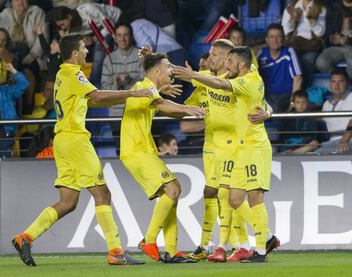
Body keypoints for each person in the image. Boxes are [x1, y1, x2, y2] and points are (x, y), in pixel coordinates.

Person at [11, 34, 153, 267]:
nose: (87, 51)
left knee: (68, 201)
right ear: (75, 53)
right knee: (102, 194)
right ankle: (116, 252)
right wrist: (132, 93)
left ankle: (25, 237)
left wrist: (124, 97)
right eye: (83, 48)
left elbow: (93, 101)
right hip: (76, 140)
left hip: (62, 140)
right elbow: (97, 96)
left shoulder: (61, 74)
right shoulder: (74, 73)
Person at [173, 46, 279, 263]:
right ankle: (267, 237)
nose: (225, 67)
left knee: (255, 197)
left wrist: (193, 74)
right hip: (240, 148)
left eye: (229, 62)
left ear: (240, 65)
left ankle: (260, 250)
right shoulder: (247, 76)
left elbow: (222, 83)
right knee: (235, 199)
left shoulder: (246, 81)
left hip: (254, 147)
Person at [120, 53, 205, 263]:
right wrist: (188, 108)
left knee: (171, 193)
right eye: (168, 67)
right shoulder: (145, 88)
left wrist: (184, 110)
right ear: (157, 71)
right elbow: (163, 106)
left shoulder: (148, 88)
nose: (172, 70)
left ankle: (171, 251)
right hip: (136, 151)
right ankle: (148, 240)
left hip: (142, 150)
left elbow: (168, 109)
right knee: (173, 189)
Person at [257, 23, 303, 112]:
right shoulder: (260, 54)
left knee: (276, 108)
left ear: (283, 39)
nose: (275, 40)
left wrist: (292, 102)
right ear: (266, 40)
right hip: (266, 96)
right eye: (272, 37)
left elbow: (298, 78)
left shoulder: (289, 52)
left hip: (285, 95)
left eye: (279, 36)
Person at [101, 23, 144, 117]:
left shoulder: (141, 56)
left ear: (131, 37)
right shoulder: (109, 59)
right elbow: (104, 91)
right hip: (116, 114)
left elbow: (148, 86)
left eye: (126, 35)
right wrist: (117, 86)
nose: (122, 39)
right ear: (115, 38)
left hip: (138, 111)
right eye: (119, 35)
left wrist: (129, 82)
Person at [281, 0, 326, 85]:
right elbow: (284, 32)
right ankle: (290, 88)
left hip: (311, 45)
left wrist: (311, 20)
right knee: (287, 59)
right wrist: (293, 20)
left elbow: (321, 33)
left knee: (306, 61)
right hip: (294, 43)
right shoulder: (291, 6)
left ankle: (307, 89)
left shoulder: (320, 8)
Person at [0, 63, 29, 158]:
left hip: (5, 135)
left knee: (4, 166)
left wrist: (13, 70)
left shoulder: (5, 91)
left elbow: (24, 84)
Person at [317, 69, 352, 153]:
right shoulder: (326, 104)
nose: (336, 85)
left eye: (340, 81)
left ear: (347, 84)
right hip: (331, 142)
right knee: (315, 154)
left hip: (349, 140)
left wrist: (344, 140)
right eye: (333, 82)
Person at [316, 0, 352, 80]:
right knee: (321, 62)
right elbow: (328, 31)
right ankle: (342, 81)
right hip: (336, 47)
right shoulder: (334, 8)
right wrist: (333, 38)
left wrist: (348, 40)